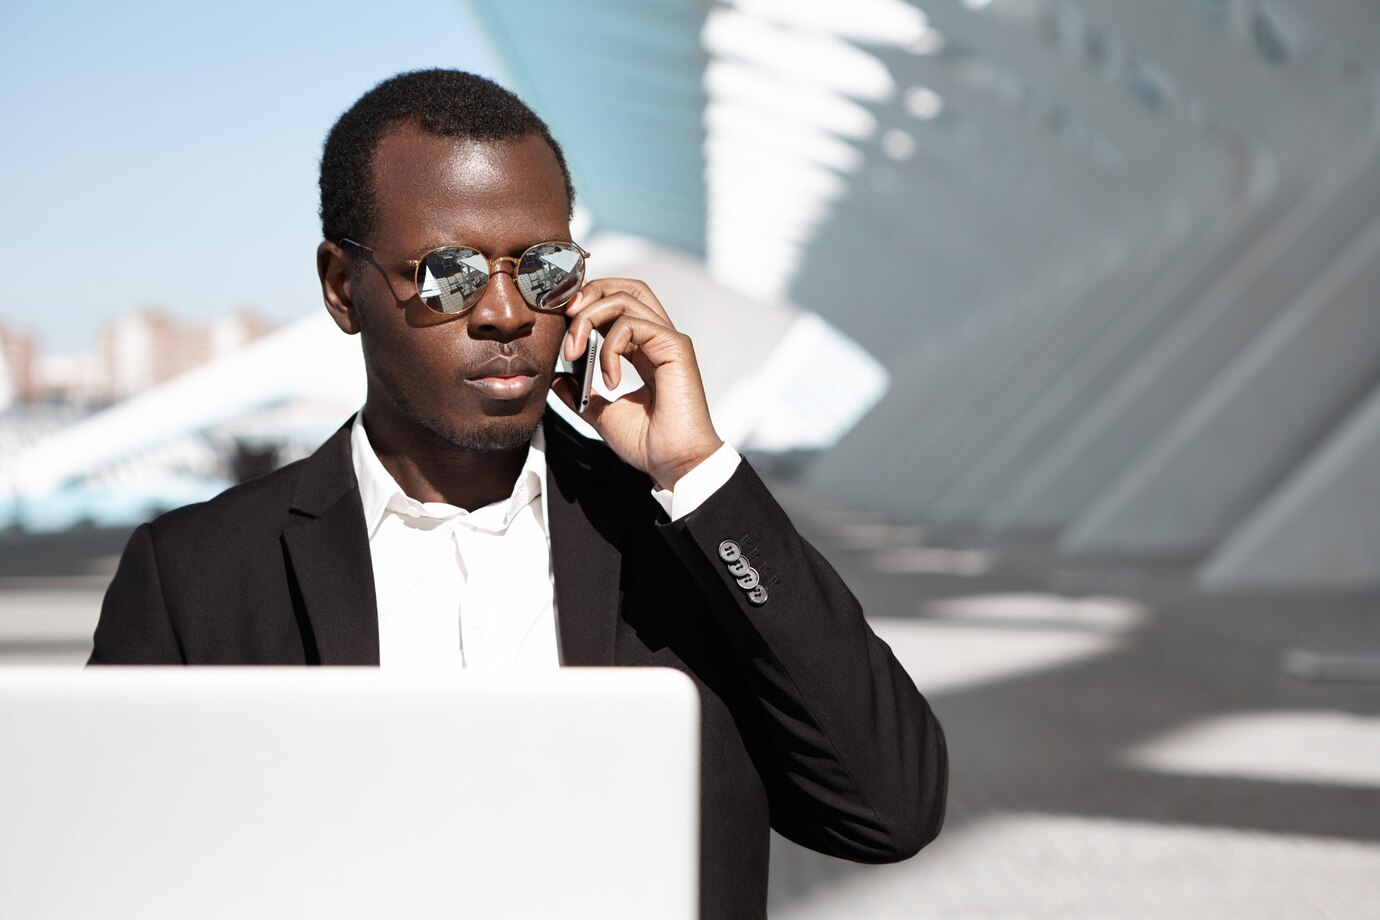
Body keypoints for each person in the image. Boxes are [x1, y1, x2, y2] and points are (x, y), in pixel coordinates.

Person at [90, 69, 947, 919]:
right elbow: (106, 877)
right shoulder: (196, 576)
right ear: (343, 287)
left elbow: (890, 811)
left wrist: (696, 471)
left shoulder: (675, 546)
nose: (505, 312)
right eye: (449, 272)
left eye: (540, 268)